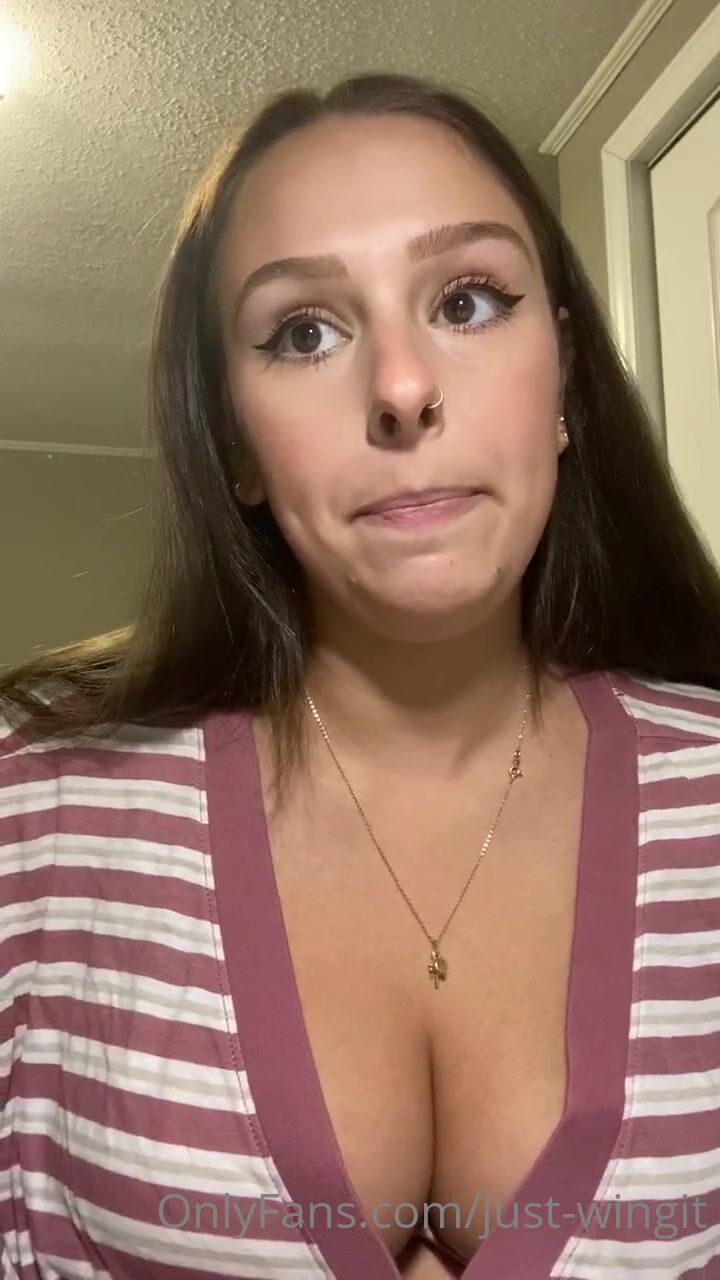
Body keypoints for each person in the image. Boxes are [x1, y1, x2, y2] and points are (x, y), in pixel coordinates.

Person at [2, 71, 720, 1280]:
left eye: (469, 300)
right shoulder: (39, 815)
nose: (400, 387)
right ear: (234, 442)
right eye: (304, 332)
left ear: (564, 376)